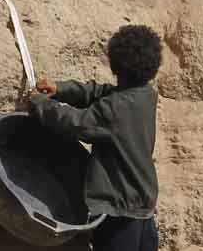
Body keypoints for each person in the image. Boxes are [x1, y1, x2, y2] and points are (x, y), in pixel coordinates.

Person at [26, 24, 163, 251]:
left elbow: (76, 123)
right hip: (142, 209)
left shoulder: (116, 108)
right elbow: (100, 92)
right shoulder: (145, 95)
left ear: (115, 65)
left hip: (119, 213)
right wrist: (61, 88)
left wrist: (39, 104)